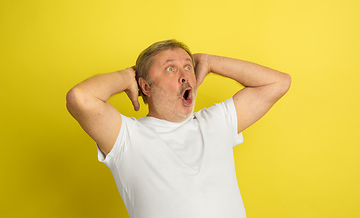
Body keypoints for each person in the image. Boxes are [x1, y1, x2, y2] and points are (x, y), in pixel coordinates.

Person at [66, 39, 291, 218]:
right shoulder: (126, 136)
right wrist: (126, 76)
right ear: (145, 86)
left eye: (188, 67)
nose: (185, 75)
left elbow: (278, 83)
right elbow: (80, 98)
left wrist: (209, 61)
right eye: (171, 69)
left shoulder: (216, 121)